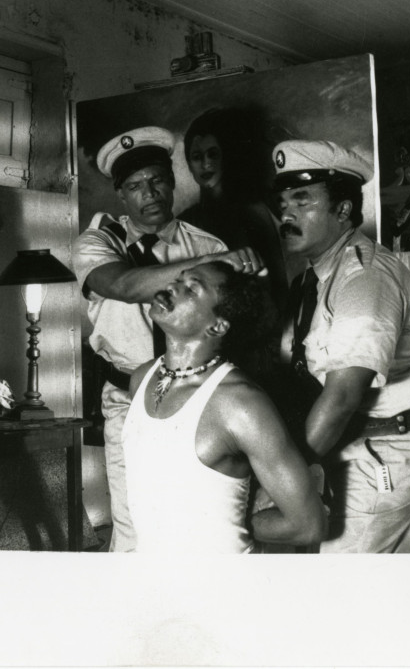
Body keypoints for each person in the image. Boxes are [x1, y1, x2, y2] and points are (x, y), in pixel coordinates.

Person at [74, 126, 264, 552]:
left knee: (199, 518)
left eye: (158, 180)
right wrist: (214, 264)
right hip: (128, 399)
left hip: (199, 398)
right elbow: (122, 285)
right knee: (133, 527)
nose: (150, 193)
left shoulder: (205, 242)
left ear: (174, 181)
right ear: (121, 195)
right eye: (136, 186)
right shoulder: (100, 241)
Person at [272, 139, 410, 553]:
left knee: (342, 584)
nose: (285, 213)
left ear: (343, 210)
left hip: (382, 451)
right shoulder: (314, 277)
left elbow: (342, 397)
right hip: (369, 439)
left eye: (302, 200)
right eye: (282, 202)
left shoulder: (364, 278)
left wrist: (283, 475)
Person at [123, 261, 326, 552]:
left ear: (217, 326)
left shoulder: (240, 403)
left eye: (191, 289)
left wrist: (224, 526)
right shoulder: (141, 379)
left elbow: (309, 526)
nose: (172, 287)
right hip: (155, 582)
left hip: (224, 587)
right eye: (178, 279)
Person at [179, 108, 288, 308]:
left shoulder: (251, 208)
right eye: (197, 156)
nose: (206, 163)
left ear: (225, 156)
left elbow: (276, 280)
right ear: (188, 164)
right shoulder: (185, 220)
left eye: (213, 154)